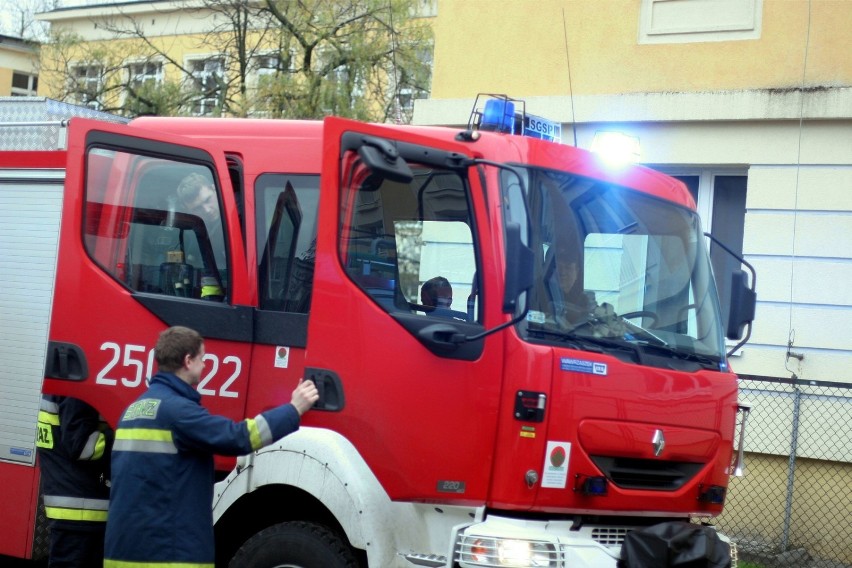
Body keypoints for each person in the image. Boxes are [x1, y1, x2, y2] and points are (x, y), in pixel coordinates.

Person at [103, 326, 319, 568]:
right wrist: (293, 409)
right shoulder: (179, 412)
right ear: (188, 361)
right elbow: (239, 437)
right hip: (168, 554)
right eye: (202, 359)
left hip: (123, 551)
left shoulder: (132, 410)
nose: (205, 365)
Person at [36, 395, 113, 568]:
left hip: (78, 507)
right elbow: (83, 447)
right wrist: (124, 438)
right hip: (82, 510)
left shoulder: (66, 380)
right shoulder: (76, 391)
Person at [175, 172, 225, 300]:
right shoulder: (198, 232)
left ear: (215, 189)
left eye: (208, 200)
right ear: (189, 210)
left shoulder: (242, 215)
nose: (207, 210)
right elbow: (209, 273)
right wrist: (212, 302)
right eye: (198, 208)